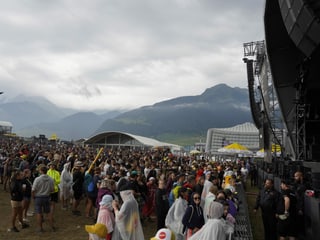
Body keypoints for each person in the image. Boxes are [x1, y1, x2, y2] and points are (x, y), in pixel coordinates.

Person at [32, 164, 55, 232]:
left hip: (38, 197)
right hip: (47, 197)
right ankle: (52, 227)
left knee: (39, 213)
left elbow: (33, 189)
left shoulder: (37, 179)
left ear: (41, 171)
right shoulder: (51, 179)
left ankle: (40, 228)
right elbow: (52, 190)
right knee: (48, 213)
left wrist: (33, 197)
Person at [293, 171, 307, 238]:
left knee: (300, 222)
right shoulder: (296, 184)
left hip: (300, 207)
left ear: (300, 177)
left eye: (296, 176)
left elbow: (301, 198)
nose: (294, 177)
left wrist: (300, 208)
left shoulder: (303, 185)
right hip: (296, 205)